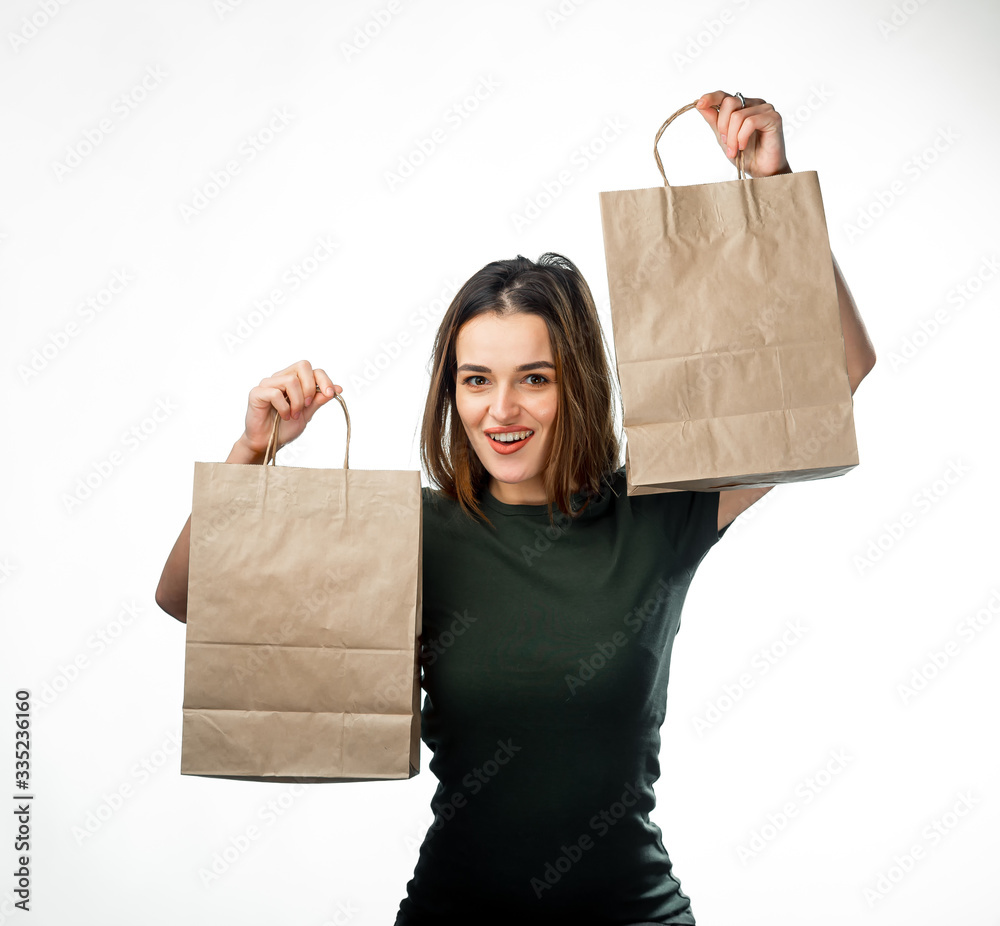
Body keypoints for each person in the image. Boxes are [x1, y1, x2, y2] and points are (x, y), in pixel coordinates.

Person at [156, 90, 877, 924]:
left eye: (533, 377)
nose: (502, 409)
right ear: (450, 394)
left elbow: (838, 377)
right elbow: (188, 599)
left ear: (576, 382)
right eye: (476, 380)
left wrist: (776, 189)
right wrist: (254, 451)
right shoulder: (411, 534)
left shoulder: (659, 510)